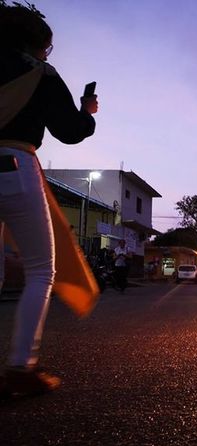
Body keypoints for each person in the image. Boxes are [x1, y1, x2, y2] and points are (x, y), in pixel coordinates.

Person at [0, 2, 98, 395]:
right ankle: (21, 367)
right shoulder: (40, 72)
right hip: (15, 162)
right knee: (41, 270)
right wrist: (87, 111)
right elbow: (71, 131)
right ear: (37, 42)